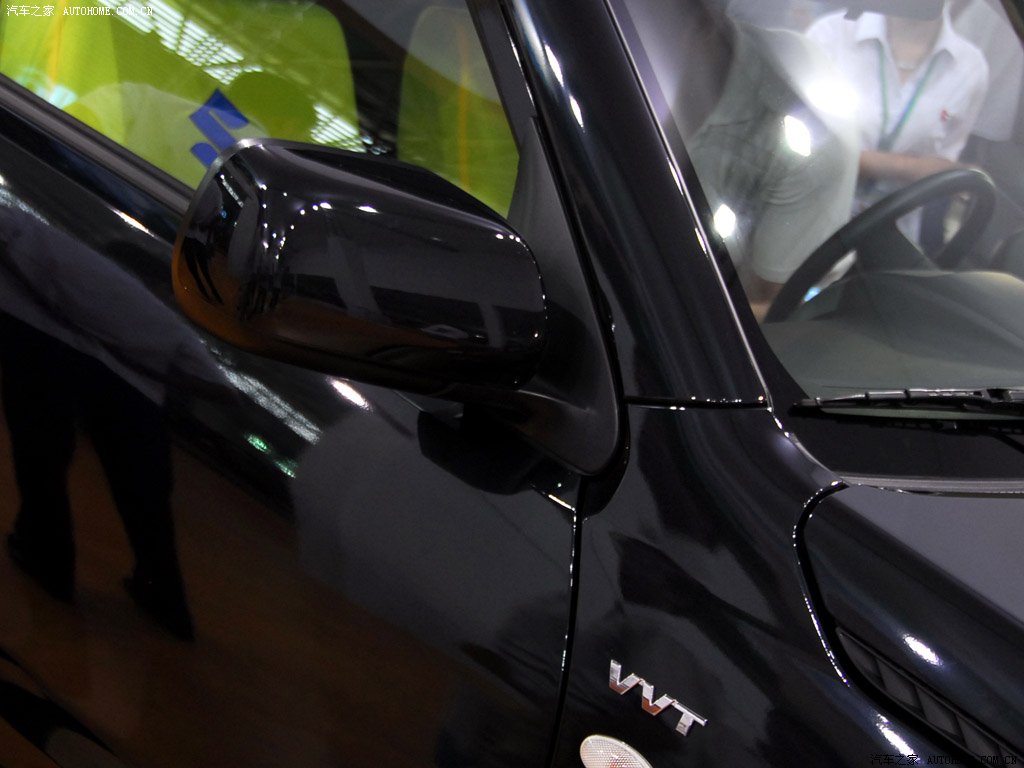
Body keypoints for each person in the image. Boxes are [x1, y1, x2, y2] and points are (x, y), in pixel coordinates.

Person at [806, 3, 989, 228]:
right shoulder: (832, 34)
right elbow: (806, 153)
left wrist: (860, 161)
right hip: (812, 215)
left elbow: (943, 165)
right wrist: (911, 168)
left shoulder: (969, 66)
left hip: (892, 230)